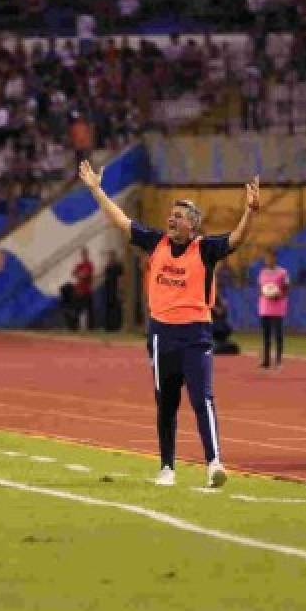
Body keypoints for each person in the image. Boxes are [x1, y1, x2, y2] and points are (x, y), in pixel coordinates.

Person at [78, 160, 259, 488]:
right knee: (166, 404)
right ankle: (167, 468)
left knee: (202, 398)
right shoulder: (156, 242)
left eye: (178, 216)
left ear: (193, 225)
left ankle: (214, 463)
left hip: (196, 334)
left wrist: (251, 211)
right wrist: (95, 189)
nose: (171, 219)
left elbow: (237, 238)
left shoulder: (205, 249)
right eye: (171, 215)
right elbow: (121, 221)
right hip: (162, 334)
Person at [257, 249, 290, 369]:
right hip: (265, 307)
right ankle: (266, 361)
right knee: (266, 335)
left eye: (270, 258)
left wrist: (279, 294)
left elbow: (286, 288)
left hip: (278, 308)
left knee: (278, 335)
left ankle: (278, 361)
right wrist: (265, 293)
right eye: (266, 258)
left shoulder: (282, 272)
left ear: (275, 258)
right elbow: (261, 288)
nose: (268, 260)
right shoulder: (263, 272)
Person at [72, 248, 94, 330]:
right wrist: (80, 274)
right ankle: (76, 327)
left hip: (87, 290)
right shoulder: (80, 265)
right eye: (83, 254)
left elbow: (86, 275)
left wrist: (80, 274)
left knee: (89, 311)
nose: (84, 256)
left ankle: (90, 328)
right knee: (77, 310)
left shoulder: (89, 264)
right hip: (79, 290)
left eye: (85, 254)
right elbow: (74, 273)